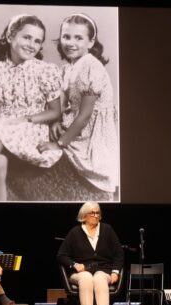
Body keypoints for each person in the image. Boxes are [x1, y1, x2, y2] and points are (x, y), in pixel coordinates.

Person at [0, 14, 62, 201]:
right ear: (10, 37)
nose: (32, 44)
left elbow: (55, 111)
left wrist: (26, 119)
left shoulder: (45, 70)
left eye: (37, 41)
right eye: (27, 37)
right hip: (0, 126)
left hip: (30, 129)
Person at [31, 13, 119, 201]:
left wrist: (59, 143)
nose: (71, 43)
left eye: (78, 38)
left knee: (47, 150)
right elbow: (63, 102)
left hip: (92, 135)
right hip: (76, 123)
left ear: (90, 42)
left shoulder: (91, 67)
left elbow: (85, 116)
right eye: (66, 36)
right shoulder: (70, 67)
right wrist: (56, 120)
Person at [56, 202, 124, 305]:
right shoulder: (75, 232)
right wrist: (74, 265)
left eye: (98, 213)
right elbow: (61, 256)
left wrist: (115, 271)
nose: (96, 215)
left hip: (103, 270)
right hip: (80, 273)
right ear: (84, 216)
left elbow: (119, 253)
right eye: (92, 213)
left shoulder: (107, 229)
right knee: (87, 277)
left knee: (99, 278)